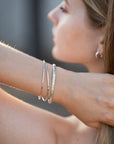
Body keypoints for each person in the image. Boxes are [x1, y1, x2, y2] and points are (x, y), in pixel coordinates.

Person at [0, 0, 114, 143]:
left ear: (104, 36)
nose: (51, 15)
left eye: (65, 9)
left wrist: (66, 86)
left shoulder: (63, 136)